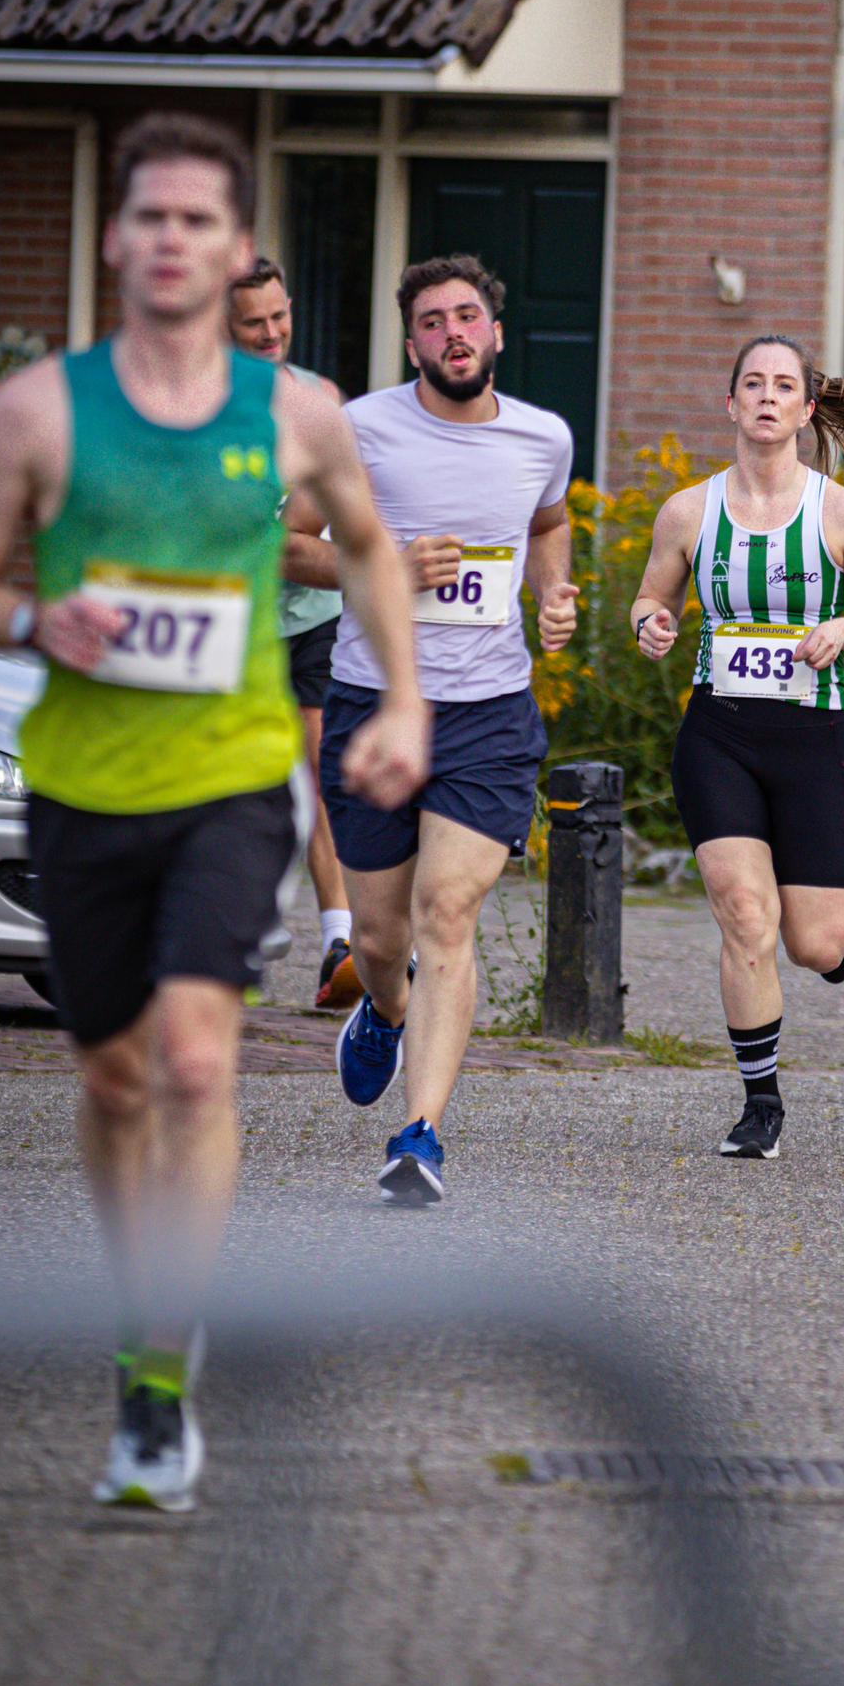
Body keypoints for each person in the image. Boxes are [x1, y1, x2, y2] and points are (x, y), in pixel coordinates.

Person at [0, 111, 429, 1512]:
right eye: (149, 217)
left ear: (230, 249)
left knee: (201, 1067)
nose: (172, 241)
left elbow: (374, 553)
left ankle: (158, 1377)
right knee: (114, 1081)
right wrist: (39, 613)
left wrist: (402, 704)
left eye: (199, 222)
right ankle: (137, 1301)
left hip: (230, 781)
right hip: (83, 787)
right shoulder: (39, 407)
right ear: (118, 236)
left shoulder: (292, 411)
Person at [302, 253, 578, 1207]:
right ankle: (383, 1007)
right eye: (431, 321)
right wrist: (378, 565)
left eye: (467, 316)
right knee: (383, 939)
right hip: (372, 703)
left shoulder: (544, 437)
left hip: (490, 714)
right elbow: (292, 541)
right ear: (411, 339)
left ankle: (420, 1135)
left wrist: (556, 594)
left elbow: (545, 526)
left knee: (448, 914)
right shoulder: (362, 428)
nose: (452, 333)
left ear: (496, 332)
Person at [628, 336, 844, 1160]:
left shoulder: (839, 512)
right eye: (752, 384)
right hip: (718, 731)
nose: (766, 396)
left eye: (783, 385)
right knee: (744, 915)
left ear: (804, 409)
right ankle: (760, 1103)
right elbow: (652, 598)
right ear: (730, 406)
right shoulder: (689, 511)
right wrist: (651, 624)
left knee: (814, 944)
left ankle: (842, 934)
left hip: (810, 738)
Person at [225, 255, 363, 1012]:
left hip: (309, 612)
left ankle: (338, 946)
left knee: (319, 770)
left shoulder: (318, 398)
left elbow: (316, 510)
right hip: (228, 621)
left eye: (280, 315)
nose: (274, 331)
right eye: (255, 322)